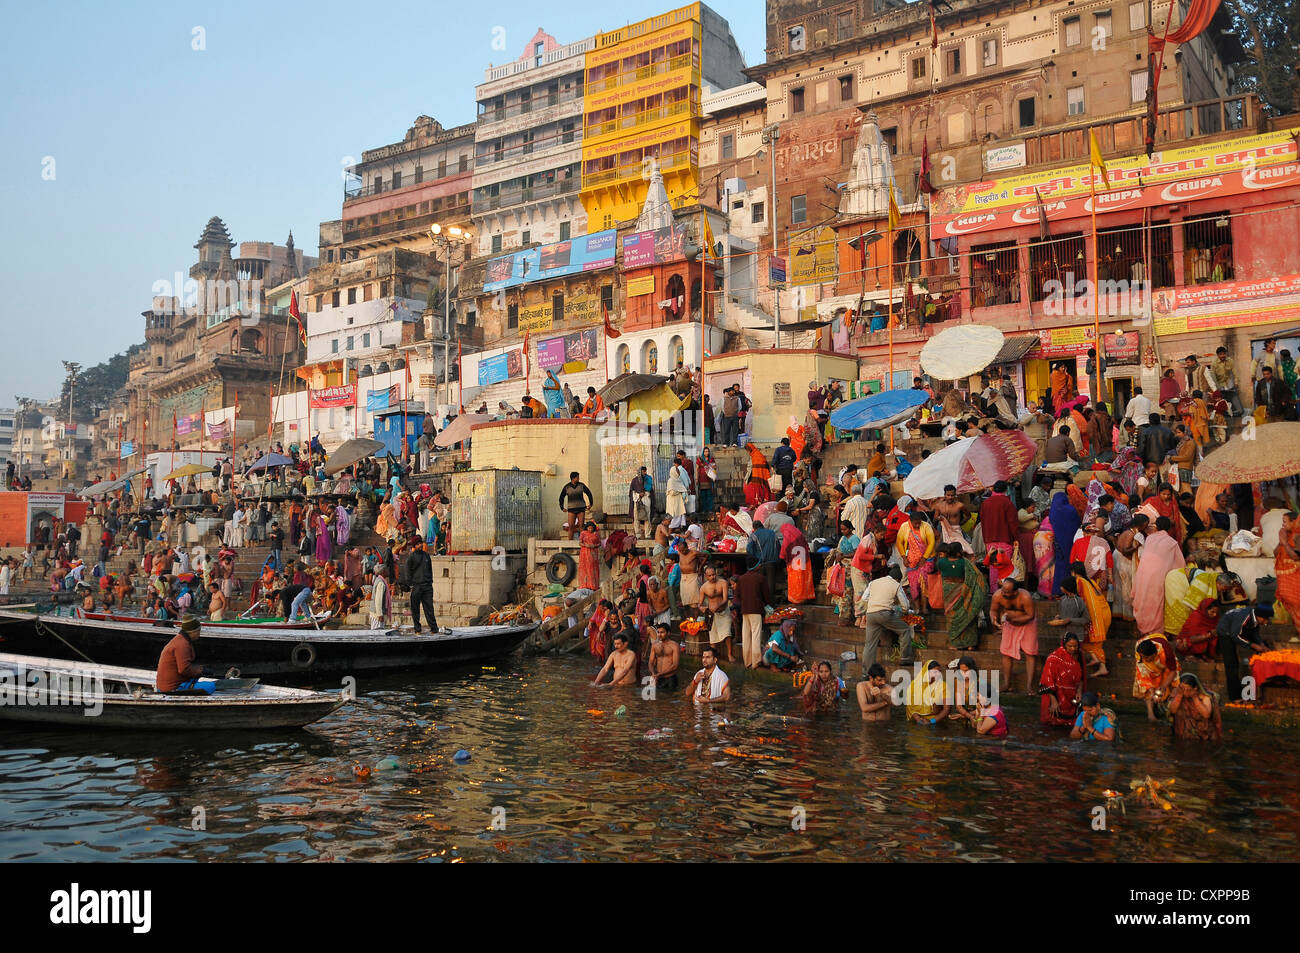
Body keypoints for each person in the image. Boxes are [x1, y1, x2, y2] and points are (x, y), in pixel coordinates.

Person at [1133, 516, 1186, 636]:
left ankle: (1143, 629)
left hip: (1142, 574)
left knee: (1143, 601)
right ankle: (1155, 632)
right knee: (1155, 604)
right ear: (1169, 529)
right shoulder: (1172, 542)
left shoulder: (1150, 539)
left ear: (1156, 526)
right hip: (1158, 577)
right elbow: (1180, 566)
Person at [859, 566, 916, 668]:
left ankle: (866, 672)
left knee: (869, 644)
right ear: (898, 579)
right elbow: (905, 606)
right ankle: (905, 658)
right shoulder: (896, 584)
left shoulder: (874, 582)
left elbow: (864, 598)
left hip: (871, 614)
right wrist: (902, 611)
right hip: (884, 614)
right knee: (905, 630)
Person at [1219, 603, 1273, 702]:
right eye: (1265, 619)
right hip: (1226, 632)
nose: (1266, 622)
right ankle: (1235, 697)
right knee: (1232, 664)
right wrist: (1253, 645)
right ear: (1259, 616)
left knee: (1264, 645)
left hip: (1238, 630)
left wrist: (1261, 645)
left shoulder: (1255, 619)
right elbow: (1235, 636)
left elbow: (1255, 633)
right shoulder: (1244, 617)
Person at [991, 576, 1037, 693]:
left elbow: (1030, 615)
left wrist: (1016, 620)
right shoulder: (997, 595)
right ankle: (1007, 684)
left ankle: (1029, 686)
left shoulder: (1025, 596)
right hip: (1009, 623)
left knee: (1030, 653)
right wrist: (994, 619)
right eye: (1003, 591)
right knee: (1006, 653)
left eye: (1007, 592)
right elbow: (993, 610)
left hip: (1027, 623)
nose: (1004, 594)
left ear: (1015, 591)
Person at [936, 542, 986, 649]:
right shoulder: (964, 562)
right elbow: (977, 576)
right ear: (959, 553)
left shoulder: (941, 562)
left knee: (952, 617)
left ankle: (954, 644)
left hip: (948, 593)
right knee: (968, 613)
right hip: (964, 592)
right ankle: (970, 644)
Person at [1039, 631, 1086, 727]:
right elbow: (1047, 680)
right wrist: (1054, 701)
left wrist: (1079, 691)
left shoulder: (1079, 655)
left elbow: (1081, 677)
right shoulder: (1053, 658)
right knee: (1052, 724)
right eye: (1070, 646)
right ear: (1064, 645)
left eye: (1075, 646)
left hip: (1072, 697)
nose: (1073, 649)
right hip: (1056, 696)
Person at [155, 616, 212, 694]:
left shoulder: (180, 639)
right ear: (192, 632)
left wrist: (200, 669)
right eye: (198, 631)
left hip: (166, 686)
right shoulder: (182, 644)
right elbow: (184, 670)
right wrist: (199, 671)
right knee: (211, 686)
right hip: (171, 689)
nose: (199, 635)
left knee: (201, 680)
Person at [1133, 633, 1180, 721]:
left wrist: (1163, 687)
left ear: (1154, 655)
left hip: (1165, 664)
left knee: (1173, 683)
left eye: (1147, 658)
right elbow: (1143, 673)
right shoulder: (1139, 651)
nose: (1144, 660)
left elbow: (1173, 671)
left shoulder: (1166, 651)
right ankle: (1150, 714)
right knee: (1147, 686)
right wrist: (1151, 689)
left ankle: (1170, 709)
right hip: (1147, 669)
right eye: (1143, 657)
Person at [1167, 672, 1223, 741]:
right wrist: (1179, 695)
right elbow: (1172, 710)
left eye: (1188, 689)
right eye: (1183, 689)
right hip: (1183, 732)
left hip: (1202, 732)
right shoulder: (1178, 691)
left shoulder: (1204, 695)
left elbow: (1206, 714)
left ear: (1195, 688)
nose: (1185, 692)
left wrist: (1195, 697)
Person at [735, 565, 771, 669]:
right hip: (756, 610)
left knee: (746, 635)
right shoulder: (760, 578)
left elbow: (737, 595)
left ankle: (747, 662)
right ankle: (756, 661)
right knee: (756, 635)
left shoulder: (741, 578)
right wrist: (768, 604)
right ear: (756, 565)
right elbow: (767, 596)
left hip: (745, 610)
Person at [697, 564, 732, 662]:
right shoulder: (703, 588)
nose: (713, 577)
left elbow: (725, 599)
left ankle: (729, 655)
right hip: (712, 614)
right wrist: (702, 608)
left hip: (724, 612)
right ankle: (714, 657)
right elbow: (699, 604)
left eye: (714, 574)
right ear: (706, 576)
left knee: (727, 634)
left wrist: (718, 605)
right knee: (713, 638)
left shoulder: (723, 582)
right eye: (710, 575)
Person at [405, 537, 438, 634]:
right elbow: (407, 571)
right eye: (418, 544)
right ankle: (417, 629)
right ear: (415, 546)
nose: (420, 545)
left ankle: (434, 629)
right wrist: (410, 584)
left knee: (429, 609)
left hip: (427, 586)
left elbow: (430, 569)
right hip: (417, 586)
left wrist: (430, 581)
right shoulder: (411, 557)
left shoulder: (426, 556)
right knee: (415, 609)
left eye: (421, 543)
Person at [906, 659, 950, 724]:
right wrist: (917, 719)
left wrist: (931, 721)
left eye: (939, 672)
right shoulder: (914, 684)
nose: (938, 674)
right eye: (935, 672)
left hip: (936, 721)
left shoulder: (943, 686)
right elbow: (909, 706)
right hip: (917, 720)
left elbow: (946, 709)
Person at [558, 472, 594, 541]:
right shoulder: (567, 487)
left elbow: (589, 493)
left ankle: (583, 541)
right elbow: (561, 497)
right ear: (573, 478)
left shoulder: (581, 485)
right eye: (577, 477)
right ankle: (570, 542)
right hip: (571, 509)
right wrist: (562, 507)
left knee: (581, 525)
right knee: (571, 526)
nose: (578, 479)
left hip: (581, 508)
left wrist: (591, 504)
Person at [647, 623, 680, 691]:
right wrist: (653, 673)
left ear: (668, 633)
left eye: (662, 632)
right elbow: (651, 662)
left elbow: (675, 665)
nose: (659, 635)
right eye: (658, 632)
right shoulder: (655, 645)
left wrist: (659, 674)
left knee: (670, 698)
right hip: (658, 678)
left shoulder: (674, 646)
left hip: (670, 678)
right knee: (658, 698)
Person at [629, 466, 653, 539]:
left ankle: (647, 534)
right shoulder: (634, 481)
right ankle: (638, 534)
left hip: (646, 500)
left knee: (647, 518)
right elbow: (632, 491)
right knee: (636, 518)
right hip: (637, 500)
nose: (645, 473)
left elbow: (650, 490)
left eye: (645, 471)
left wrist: (645, 493)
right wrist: (639, 495)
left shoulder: (648, 479)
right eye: (643, 471)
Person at [577, 520, 601, 591]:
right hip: (584, 553)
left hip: (593, 553)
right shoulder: (583, 533)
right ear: (586, 528)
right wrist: (586, 545)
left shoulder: (596, 534)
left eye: (591, 528)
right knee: (585, 568)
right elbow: (580, 543)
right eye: (589, 528)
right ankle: (585, 585)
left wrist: (594, 545)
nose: (590, 529)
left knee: (593, 568)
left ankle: (593, 585)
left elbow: (599, 543)